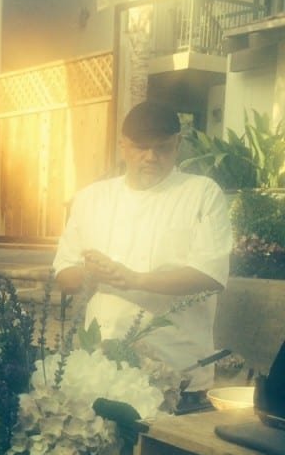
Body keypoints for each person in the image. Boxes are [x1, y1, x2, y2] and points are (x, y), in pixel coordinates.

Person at [53, 101, 233, 392]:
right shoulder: (91, 198)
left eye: (162, 147)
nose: (151, 157)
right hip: (102, 367)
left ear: (178, 144)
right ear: (122, 145)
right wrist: (92, 274)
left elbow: (210, 274)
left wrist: (135, 279)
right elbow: (63, 273)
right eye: (140, 147)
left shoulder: (201, 193)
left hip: (178, 368)